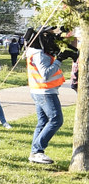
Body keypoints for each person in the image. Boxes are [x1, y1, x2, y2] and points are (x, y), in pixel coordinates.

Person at [26, 29, 66, 165]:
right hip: (45, 92)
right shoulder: (39, 54)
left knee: (42, 122)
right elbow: (45, 74)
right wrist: (59, 60)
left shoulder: (34, 52)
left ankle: (35, 153)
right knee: (56, 119)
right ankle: (37, 150)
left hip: (39, 90)